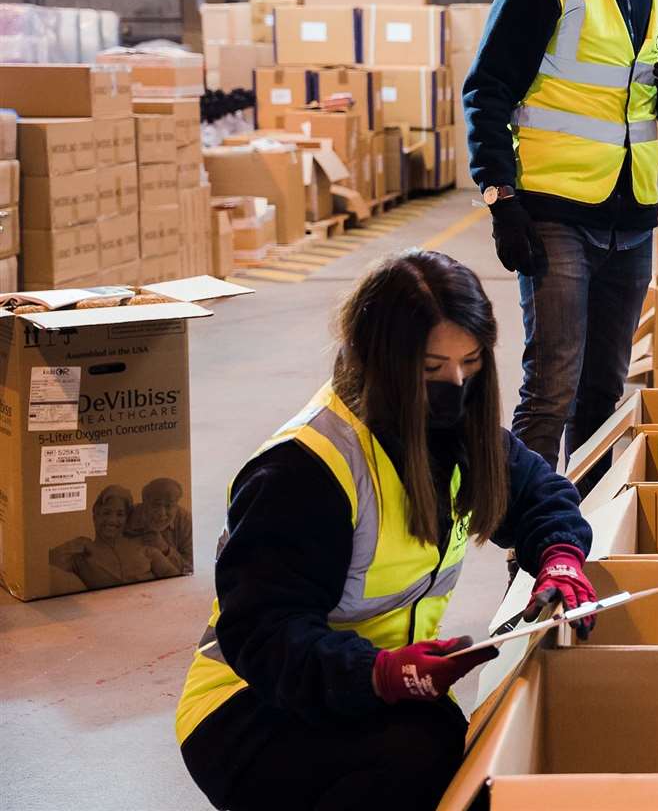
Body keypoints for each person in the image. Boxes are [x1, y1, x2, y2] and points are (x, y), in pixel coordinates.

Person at [175, 250, 599, 811]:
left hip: (367, 685)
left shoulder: (452, 432)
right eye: (430, 370)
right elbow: (265, 635)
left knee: (454, 749)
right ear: (380, 360)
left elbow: (540, 494)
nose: (454, 385)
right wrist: (379, 674)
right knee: (420, 754)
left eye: (469, 365)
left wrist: (562, 557)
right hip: (252, 707)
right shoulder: (306, 470)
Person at [464, 0, 658, 484]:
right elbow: (486, 90)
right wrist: (499, 197)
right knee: (551, 391)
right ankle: (531, 557)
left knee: (604, 393)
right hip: (553, 213)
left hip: (632, 220)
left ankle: (585, 533)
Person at [48, 484, 180, 589]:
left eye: (120, 514)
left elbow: (174, 580)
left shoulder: (145, 548)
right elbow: (46, 564)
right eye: (106, 513)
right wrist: (75, 545)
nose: (112, 520)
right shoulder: (81, 556)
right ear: (95, 515)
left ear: (127, 518)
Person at [128, 475, 193, 575]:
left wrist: (166, 550)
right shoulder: (129, 517)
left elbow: (190, 569)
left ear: (176, 505)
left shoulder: (185, 521)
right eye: (156, 504)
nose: (162, 513)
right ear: (144, 503)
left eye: (168, 506)